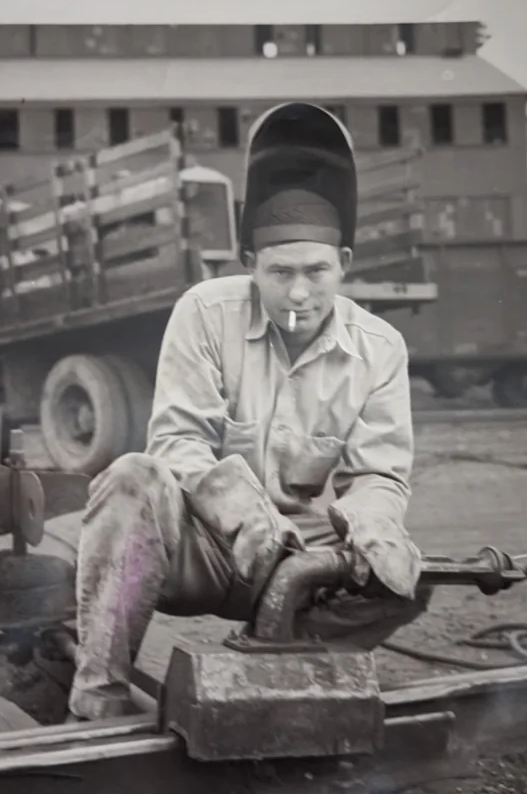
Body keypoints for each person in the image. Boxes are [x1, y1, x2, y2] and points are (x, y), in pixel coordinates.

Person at [66, 101, 430, 723]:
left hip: (295, 564)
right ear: (248, 264)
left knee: (407, 579)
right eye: (279, 272)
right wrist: (245, 518)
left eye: (316, 271)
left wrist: (372, 527)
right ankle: (96, 699)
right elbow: (178, 442)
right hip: (203, 553)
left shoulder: (380, 349)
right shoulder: (204, 313)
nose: (298, 293)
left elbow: (379, 476)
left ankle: (275, 674)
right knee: (131, 477)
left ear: (344, 263)